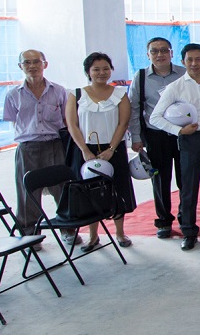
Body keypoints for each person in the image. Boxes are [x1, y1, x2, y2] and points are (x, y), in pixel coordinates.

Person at [149, 43, 200, 250]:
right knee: (189, 188)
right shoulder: (175, 87)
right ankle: (188, 231)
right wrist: (179, 131)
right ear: (183, 61)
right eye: (189, 60)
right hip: (190, 141)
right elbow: (155, 117)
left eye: (198, 59)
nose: (194, 63)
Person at [3, 50, 78, 249]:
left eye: (37, 61)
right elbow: (14, 123)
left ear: (45, 64)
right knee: (27, 191)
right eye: (27, 62)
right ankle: (30, 233)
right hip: (28, 147)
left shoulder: (59, 91)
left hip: (54, 145)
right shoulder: (13, 94)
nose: (32, 66)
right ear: (20, 66)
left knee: (62, 189)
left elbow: (66, 120)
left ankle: (68, 229)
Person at [65, 52, 135, 251]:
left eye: (106, 68)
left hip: (113, 149)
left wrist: (112, 149)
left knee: (118, 189)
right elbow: (72, 125)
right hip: (85, 149)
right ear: (88, 72)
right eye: (96, 69)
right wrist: (85, 151)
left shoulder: (120, 94)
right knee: (89, 192)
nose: (101, 73)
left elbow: (123, 123)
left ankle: (120, 233)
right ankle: (93, 236)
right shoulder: (76, 94)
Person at [128, 38, 185, 239]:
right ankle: (163, 221)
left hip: (182, 134)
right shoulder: (141, 77)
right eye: (154, 51)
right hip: (155, 135)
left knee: (185, 178)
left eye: (163, 50)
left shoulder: (183, 73)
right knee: (160, 179)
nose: (159, 55)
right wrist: (136, 137)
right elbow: (134, 108)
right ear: (148, 55)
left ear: (171, 52)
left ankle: (185, 218)